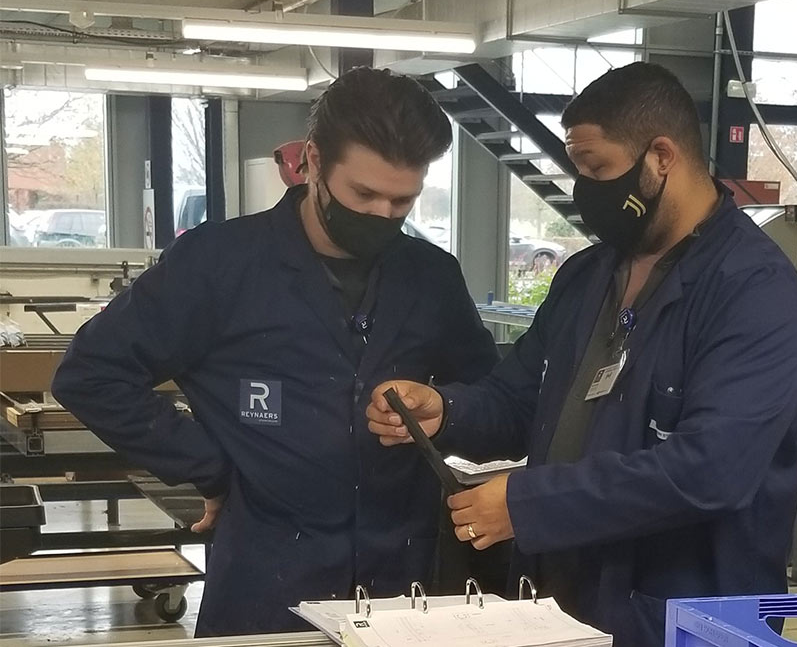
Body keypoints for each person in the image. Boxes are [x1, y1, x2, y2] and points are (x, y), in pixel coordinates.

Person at [367, 62, 797, 646]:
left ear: (661, 157)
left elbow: (712, 471)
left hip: (679, 618)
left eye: (597, 168)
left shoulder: (754, 294)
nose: (585, 190)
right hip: (560, 600)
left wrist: (530, 505)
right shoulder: (589, 276)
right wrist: (445, 411)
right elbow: (518, 400)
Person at [52, 67, 499, 637]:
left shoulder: (431, 276)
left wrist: (444, 405)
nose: (383, 216)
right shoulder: (218, 264)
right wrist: (210, 469)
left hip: (404, 585)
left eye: (402, 200)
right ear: (311, 161)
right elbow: (92, 373)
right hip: (267, 580)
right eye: (364, 194)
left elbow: (494, 399)